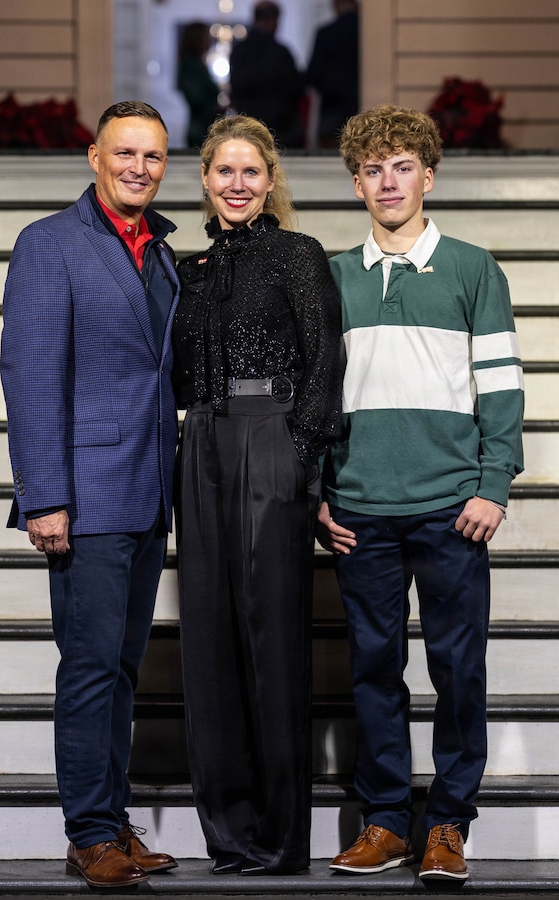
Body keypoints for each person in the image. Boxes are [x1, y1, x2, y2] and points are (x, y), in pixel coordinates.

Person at [317, 104, 524, 881]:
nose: (388, 181)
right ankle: (385, 821)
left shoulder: (474, 268)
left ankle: (449, 823)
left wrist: (494, 483)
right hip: (361, 507)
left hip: (451, 507)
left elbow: (501, 386)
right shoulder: (334, 276)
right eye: (373, 169)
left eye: (403, 167)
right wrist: (320, 493)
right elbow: (316, 399)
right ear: (357, 184)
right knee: (373, 668)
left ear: (428, 176)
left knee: (457, 667)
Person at [0, 100, 181, 889]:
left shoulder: (165, 253)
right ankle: (87, 833)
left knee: (121, 668)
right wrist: (44, 497)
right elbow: (30, 378)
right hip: (85, 493)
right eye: (126, 153)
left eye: (153, 156)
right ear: (94, 157)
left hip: (147, 491)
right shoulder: (50, 245)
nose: (139, 168)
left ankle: (112, 819)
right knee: (88, 666)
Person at [172, 114, 342, 875]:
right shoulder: (190, 269)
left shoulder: (298, 255)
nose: (237, 184)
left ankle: (277, 839)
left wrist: (297, 453)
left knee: (272, 636)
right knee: (208, 637)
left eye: (251, 172)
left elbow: (324, 361)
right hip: (201, 440)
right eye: (223, 172)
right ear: (204, 181)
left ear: (270, 183)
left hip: (271, 432)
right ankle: (230, 835)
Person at [229, 2, 305, 148]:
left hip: (248, 128)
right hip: (281, 131)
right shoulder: (280, 52)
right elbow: (296, 87)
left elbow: (236, 87)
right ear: (273, 21)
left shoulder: (239, 51)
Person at [306, 0, 360, 147]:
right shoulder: (366, 33)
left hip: (332, 109)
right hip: (360, 107)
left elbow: (313, 74)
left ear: (336, 5)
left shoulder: (326, 33)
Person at [177, 21, 222, 148]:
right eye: (206, 37)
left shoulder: (199, 65)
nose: (210, 41)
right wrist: (216, 108)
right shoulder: (190, 66)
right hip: (200, 130)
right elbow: (196, 100)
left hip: (206, 128)